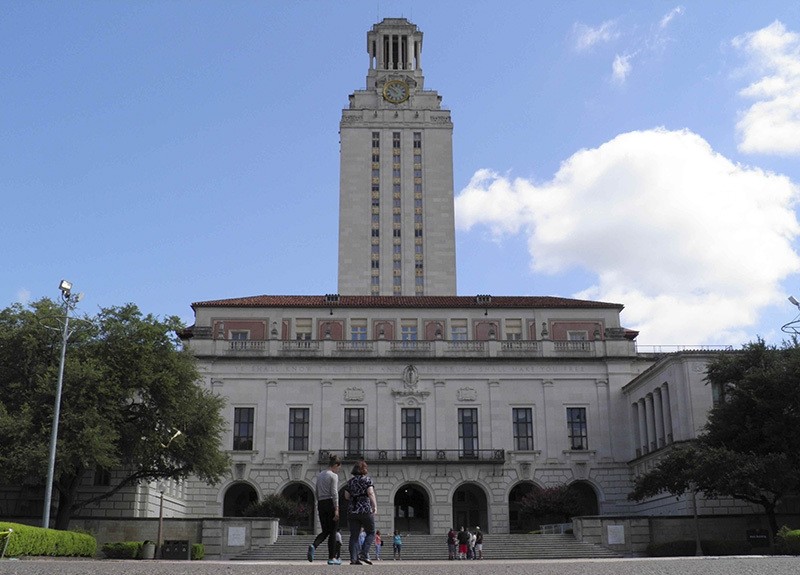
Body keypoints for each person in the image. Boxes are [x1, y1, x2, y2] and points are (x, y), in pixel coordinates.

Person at [307, 453, 342, 565]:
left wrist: (319, 502)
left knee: (325, 531)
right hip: (330, 502)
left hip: (321, 503)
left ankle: (314, 545)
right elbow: (334, 492)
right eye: (339, 467)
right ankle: (332, 558)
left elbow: (316, 491)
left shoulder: (320, 475)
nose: (339, 469)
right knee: (332, 532)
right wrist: (336, 508)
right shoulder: (333, 476)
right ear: (336, 465)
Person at [344, 460, 377, 565]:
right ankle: (363, 553)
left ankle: (354, 559)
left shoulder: (350, 482)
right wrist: (374, 506)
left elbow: (346, 496)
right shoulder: (367, 480)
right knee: (371, 532)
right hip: (365, 509)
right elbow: (370, 493)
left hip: (352, 510)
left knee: (354, 536)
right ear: (364, 469)